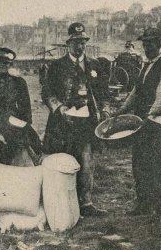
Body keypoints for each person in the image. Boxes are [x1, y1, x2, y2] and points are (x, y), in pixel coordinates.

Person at [41, 22, 110, 217]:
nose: (80, 46)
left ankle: (86, 203)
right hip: (62, 123)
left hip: (86, 122)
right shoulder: (56, 66)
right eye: (76, 42)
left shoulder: (95, 65)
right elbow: (47, 92)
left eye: (83, 42)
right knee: (62, 162)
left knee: (87, 160)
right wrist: (59, 107)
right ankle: (60, 204)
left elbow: (104, 92)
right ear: (68, 44)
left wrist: (104, 110)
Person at [116, 27, 161, 216]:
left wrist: (150, 117)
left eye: (151, 43)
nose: (147, 46)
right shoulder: (145, 66)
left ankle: (159, 206)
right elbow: (136, 92)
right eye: (145, 43)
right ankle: (143, 203)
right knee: (139, 162)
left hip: (154, 122)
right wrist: (121, 111)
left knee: (156, 163)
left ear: (159, 44)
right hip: (140, 122)